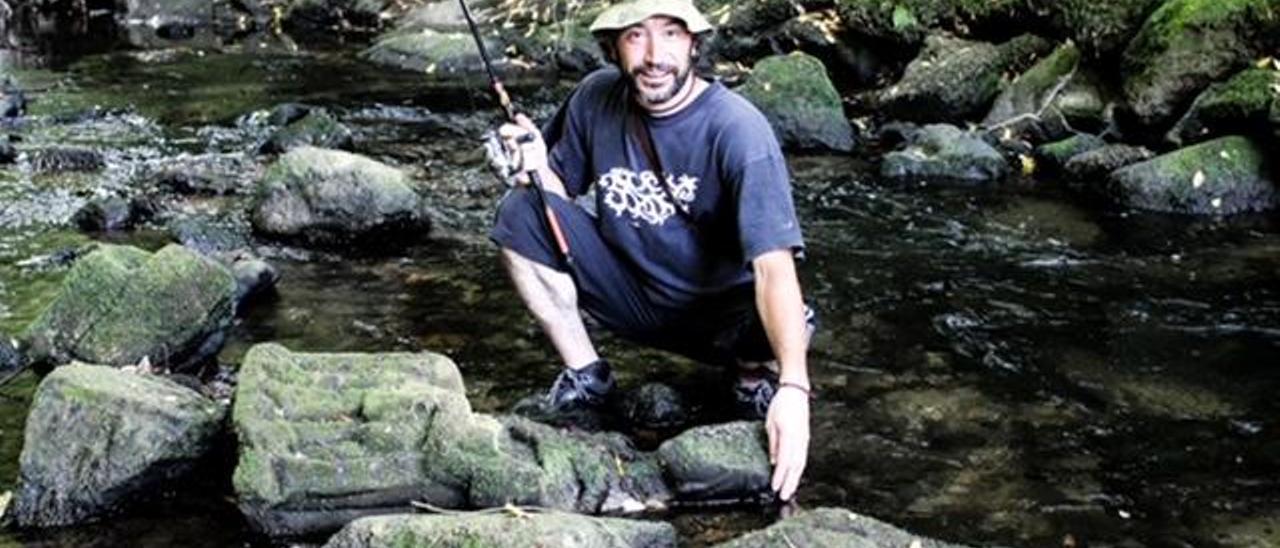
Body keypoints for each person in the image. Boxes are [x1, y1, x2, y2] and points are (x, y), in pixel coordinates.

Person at [488, 0, 814, 501]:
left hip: (722, 319)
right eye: (636, 36)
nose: (654, 54)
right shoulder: (596, 97)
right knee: (519, 212)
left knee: (781, 321)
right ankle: (587, 376)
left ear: (694, 44)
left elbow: (775, 269)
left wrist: (795, 388)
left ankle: (753, 377)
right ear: (614, 47)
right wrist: (530, 162)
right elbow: (555, 198)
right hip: (634, 294)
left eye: (669, 34)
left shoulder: (739, 131)